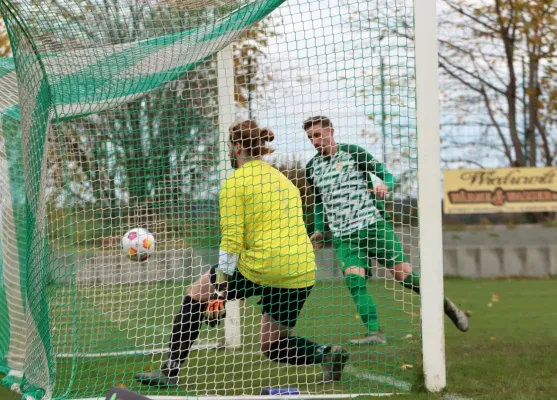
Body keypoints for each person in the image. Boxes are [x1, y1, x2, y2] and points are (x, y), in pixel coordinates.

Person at [135, 120, 349, 387]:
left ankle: (169, 372)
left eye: (228, 146)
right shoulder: (284, 181)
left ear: (236, 147)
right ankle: (327, 354)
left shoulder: (235, 183)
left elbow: (232, 241)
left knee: (195, 295)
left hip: (263, 265)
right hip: (301, 270)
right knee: (273, 345)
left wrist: (219, 292)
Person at [303, 116, 469, 345]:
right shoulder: (312, 168)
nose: (315, 141)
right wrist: (319, 230)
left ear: (331, 131)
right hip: (345, 237)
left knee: (404, 276)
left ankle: (448, 306)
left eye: (318, 135)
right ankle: (375, 333)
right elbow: (319, 203)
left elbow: (387, 175)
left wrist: (385, 186)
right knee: (354, 282)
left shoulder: (353, 153)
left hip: (373, 227)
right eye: (310, 137)